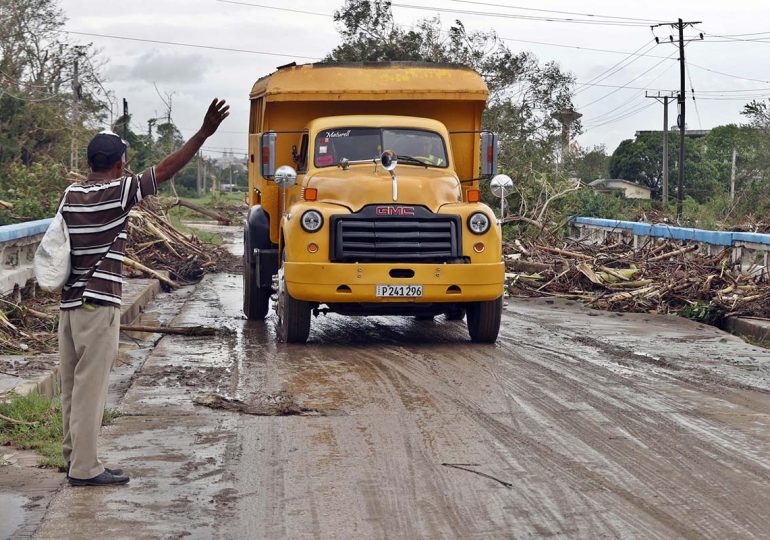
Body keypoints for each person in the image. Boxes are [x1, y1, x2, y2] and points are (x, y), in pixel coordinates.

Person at [58, 98, 229, 486]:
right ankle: (85, 469)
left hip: (68, 305)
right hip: (97, 305)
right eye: (126, 161)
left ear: (89, 163)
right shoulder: (118, 193)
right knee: (91, 387)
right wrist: (203, 133)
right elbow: (166, 169)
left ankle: (73, 457)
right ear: (119, 164)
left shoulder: (71, 195)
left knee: (71, 384)